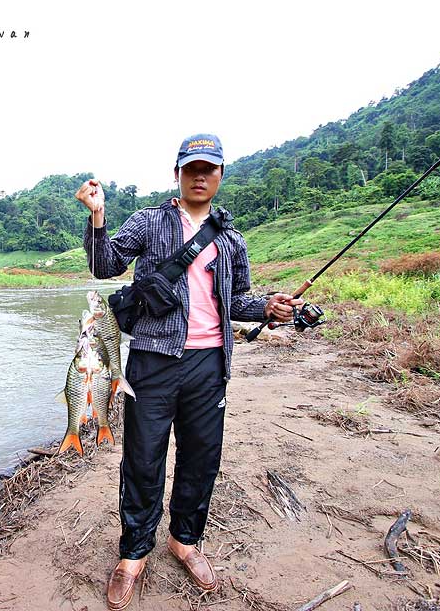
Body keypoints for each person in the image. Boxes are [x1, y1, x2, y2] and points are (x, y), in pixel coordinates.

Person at [74, 133, 304, 610]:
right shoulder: (150, 221)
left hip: (208, 365)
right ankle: (134, 554)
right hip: (152, 362)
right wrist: (97, 213)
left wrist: (269, 307)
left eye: (210, 169)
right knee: (141, 460)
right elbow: (104, 264)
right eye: (191, 168)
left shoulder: (231, 239)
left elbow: (237, 300)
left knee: (201, 459)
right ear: (177, 172)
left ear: (220, 175)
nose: (200, 176)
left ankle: (184, 541)